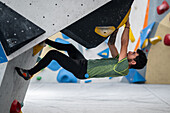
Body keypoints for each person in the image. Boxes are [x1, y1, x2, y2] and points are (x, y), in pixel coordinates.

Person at [15, 19, 147, 80]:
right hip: (84, 63)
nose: (131, 52)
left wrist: (127, 26)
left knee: (53, 54)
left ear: (133, 62)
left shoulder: (123, 68)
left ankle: (29, 73)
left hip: (82, 70)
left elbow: (124, 44)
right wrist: (116, 29)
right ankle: (45, 41)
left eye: (133, 53)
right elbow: (112, 45)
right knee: (70, 47)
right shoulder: (118, 63)